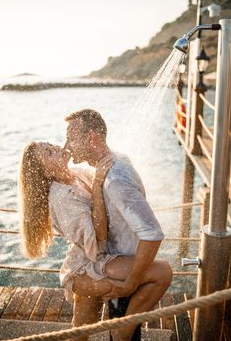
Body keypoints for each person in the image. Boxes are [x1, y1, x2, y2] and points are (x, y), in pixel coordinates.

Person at [18, 141, 171, 341]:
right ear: (45, 172)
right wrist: (98, 185)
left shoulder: (74, 174)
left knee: (80, 333)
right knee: (162, 272)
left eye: (50, 144)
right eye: (48, 152)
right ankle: (122, 331)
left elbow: (108, 182)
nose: (56, 147)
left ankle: (120, 331)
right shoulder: (61, 196)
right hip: (88, 267)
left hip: (95, 258)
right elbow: (98, 236)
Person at [64, 109, 173, 341]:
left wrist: (130, 283)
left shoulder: (115, 180)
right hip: (118, 265)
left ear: (91, 137)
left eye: (71, 137)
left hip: (127, 276)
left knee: (122, 335)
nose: (67, 145)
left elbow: (152, 234)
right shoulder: (116, 159)